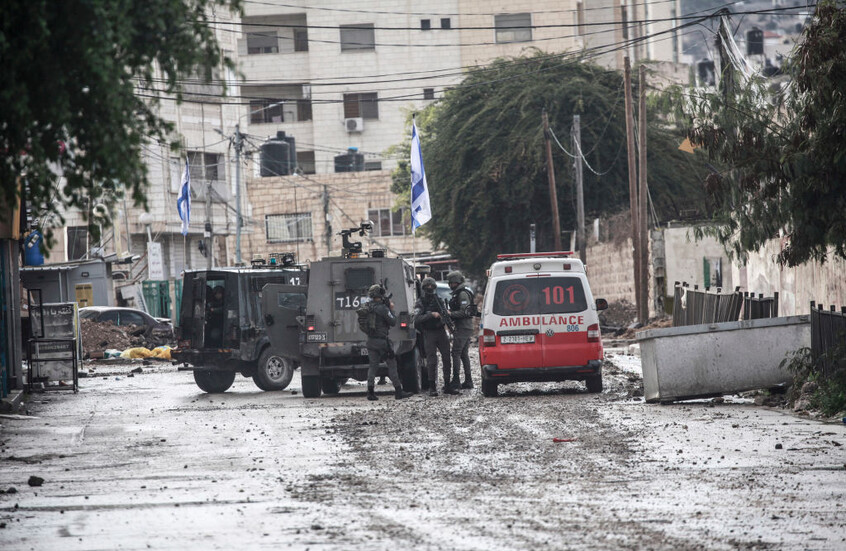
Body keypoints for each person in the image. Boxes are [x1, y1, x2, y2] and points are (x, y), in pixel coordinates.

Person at [363, 284, 412, 401]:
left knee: (372, 366)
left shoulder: (367, 307)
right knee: (392, 365)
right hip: (382, 342)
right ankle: (399, 391)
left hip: (370, 341)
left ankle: (370, 392)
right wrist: (391, 309)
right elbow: (393, 321)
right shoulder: (383, 309)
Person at [413, 277, 457, 397]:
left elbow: (444, 314)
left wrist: (445, 317)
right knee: (432, 360)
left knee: (447, 359)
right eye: (428, 287)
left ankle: (447, 384)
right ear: (423, 288)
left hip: (441, 331)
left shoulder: (439, 300)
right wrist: (431, 315)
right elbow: (416, 319)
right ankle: (432, 387)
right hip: (429, 333)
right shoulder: (420, 302)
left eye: (432, 287)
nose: (430, 289)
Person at [447, 270, 476, 389]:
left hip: (464, 327)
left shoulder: (462, 293)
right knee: (463, 354)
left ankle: (456, 380)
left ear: (456, 281)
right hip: (464, 326)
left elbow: (465, 311)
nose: (449, 284)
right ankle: (468, 380)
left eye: (451, 282)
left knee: (456, 353)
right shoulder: (460, 292)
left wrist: (451, 314)